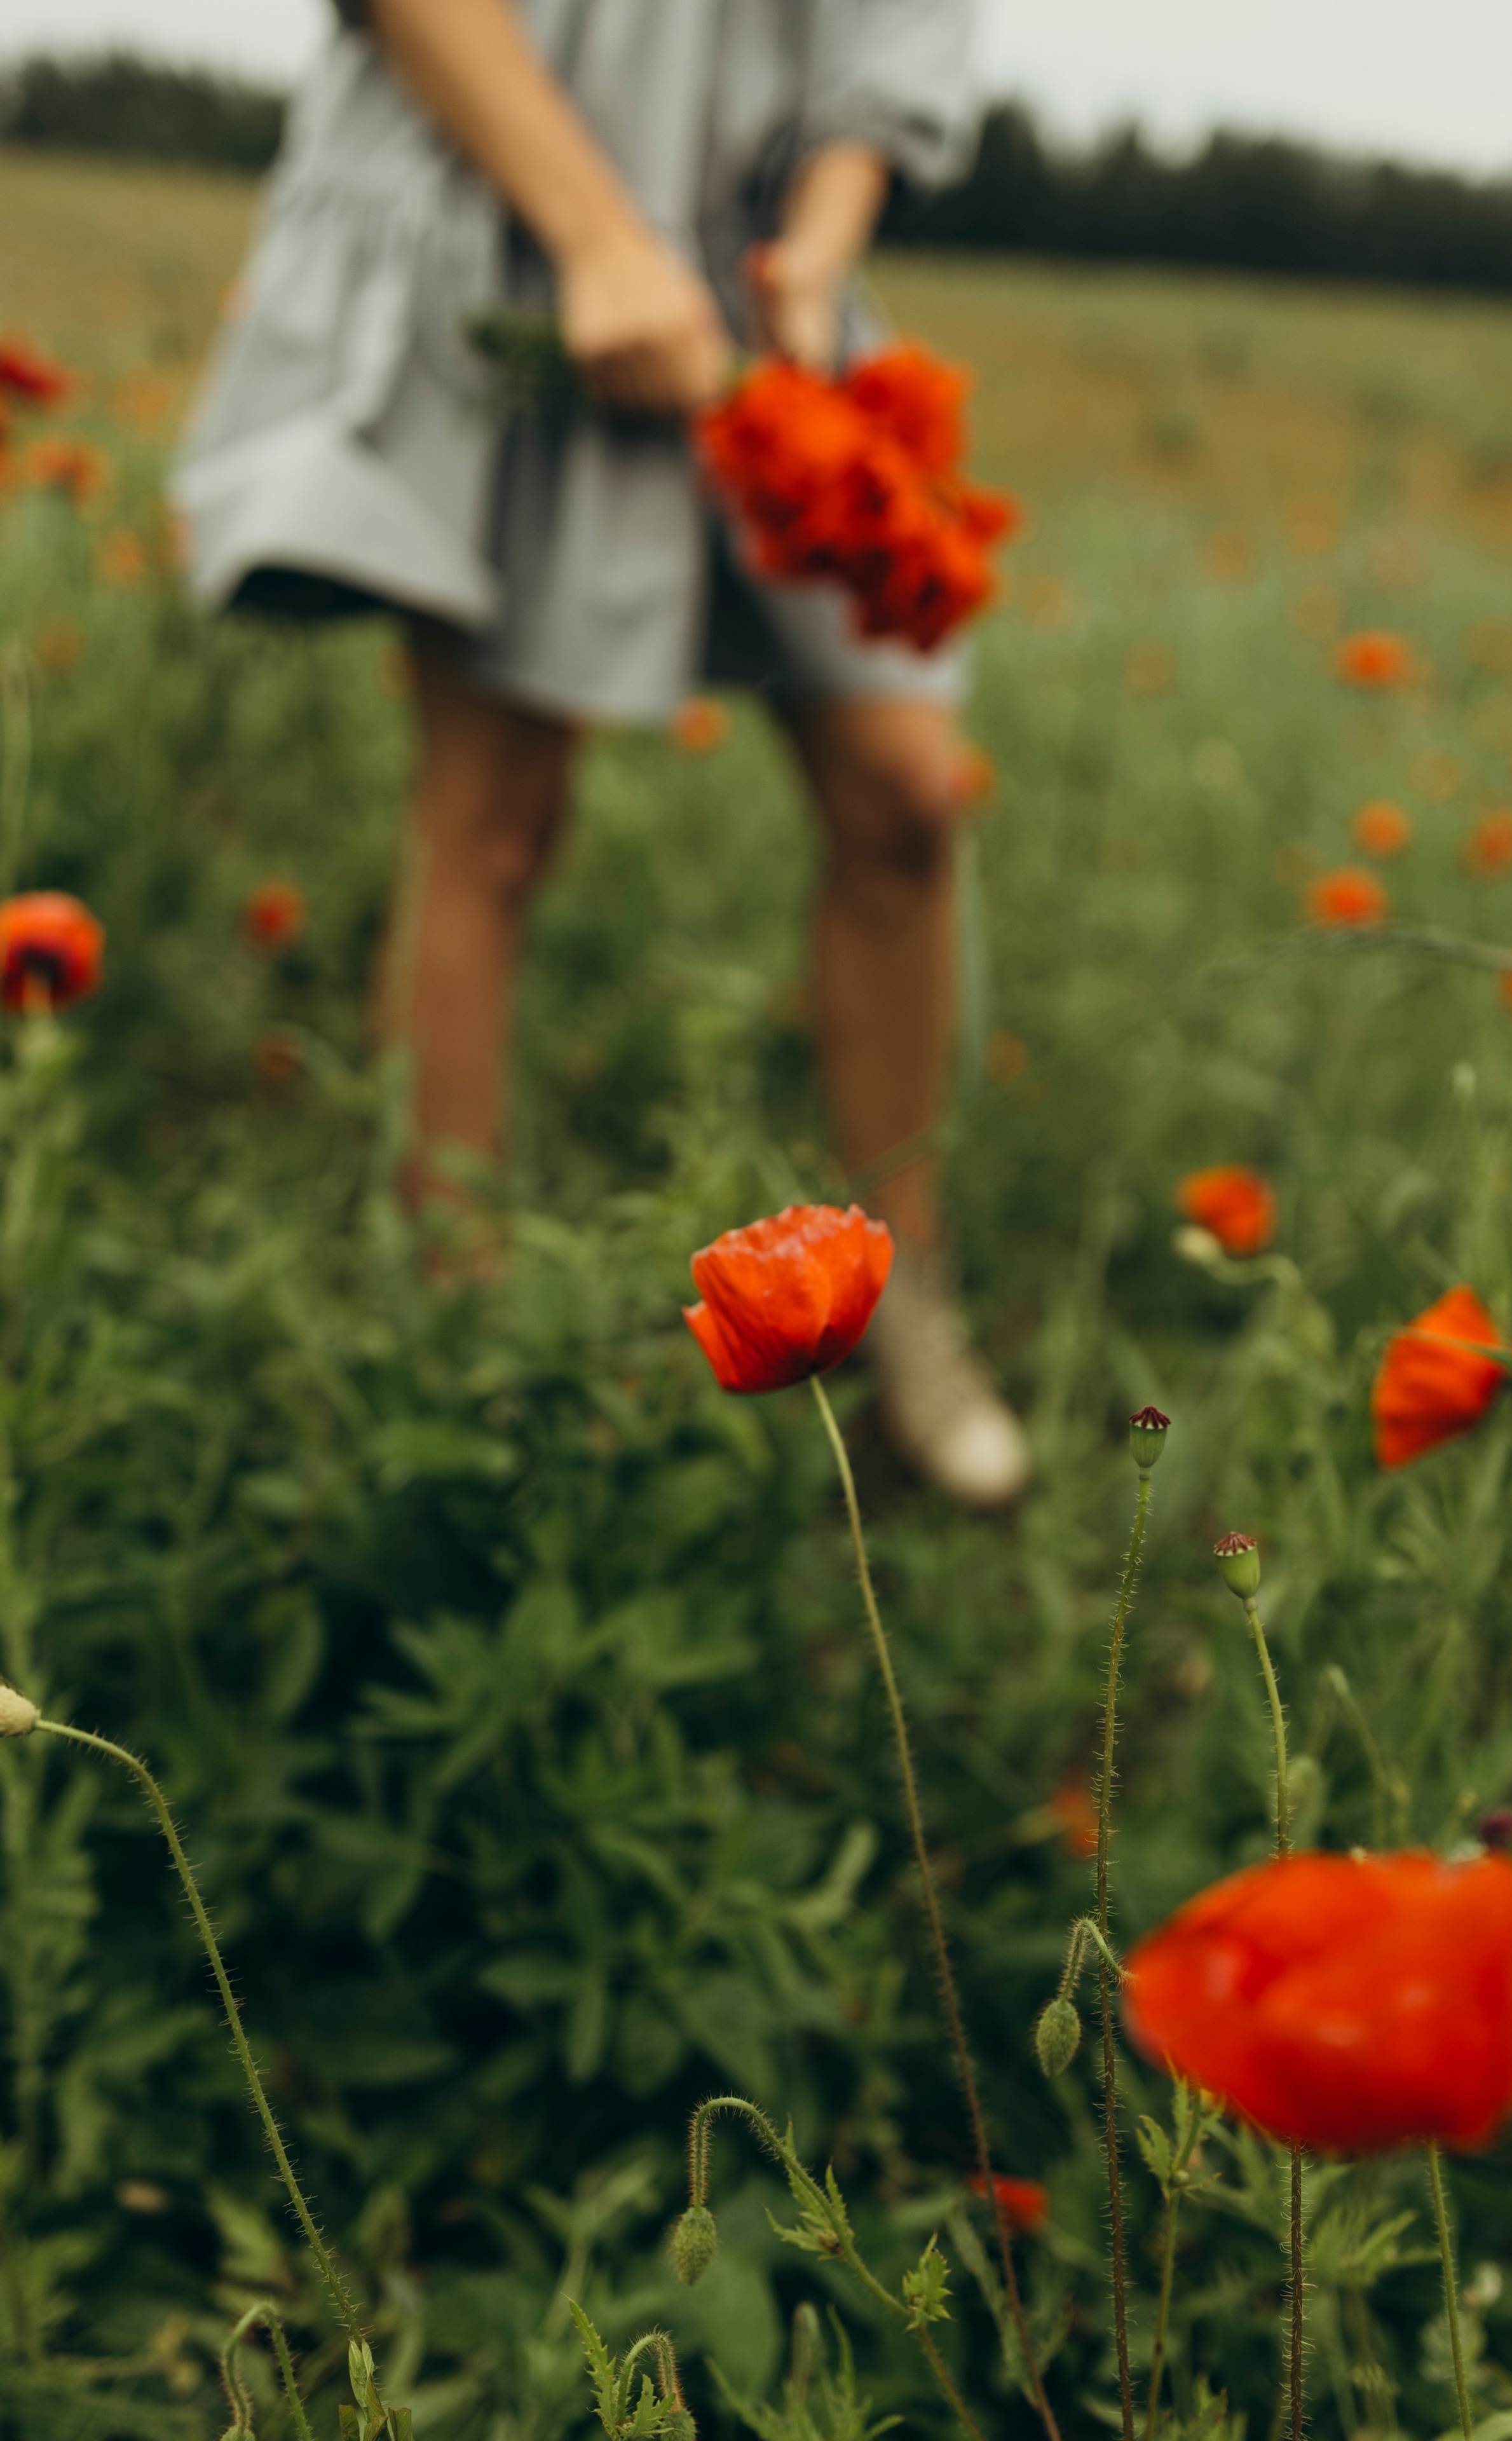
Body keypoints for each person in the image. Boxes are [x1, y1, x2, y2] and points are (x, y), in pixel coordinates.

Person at [173, 0, 1030, 1510]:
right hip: (514, 202)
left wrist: (820, 245)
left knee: (905, 794)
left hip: (754, 252)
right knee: (495, 817)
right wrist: (596, 239)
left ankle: (907, 1313)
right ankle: (453, 1348)